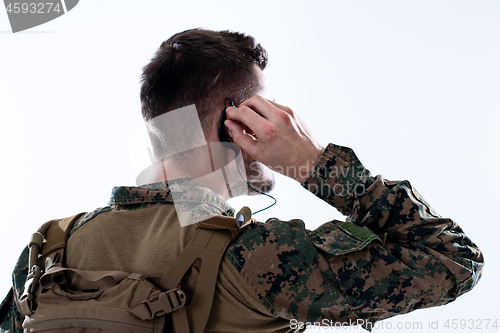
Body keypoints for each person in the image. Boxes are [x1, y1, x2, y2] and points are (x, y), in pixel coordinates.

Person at [0, 28, 483, 332]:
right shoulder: (257, 256)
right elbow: (453, 259)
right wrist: (313, 162)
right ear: (237, 123)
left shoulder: (48, 250)